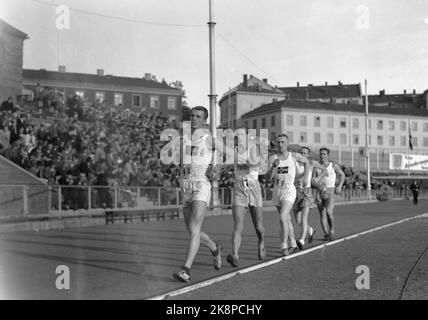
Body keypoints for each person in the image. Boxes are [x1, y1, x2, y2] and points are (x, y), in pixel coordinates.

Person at [173, 106, 222, 283]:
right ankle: (215, 248)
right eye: (192, 115)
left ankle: (186, 269)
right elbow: (181, 162)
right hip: (186, 185)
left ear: (204, 121)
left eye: (198, 116)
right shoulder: (184, 138)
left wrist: (216, 168)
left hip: (201, 184)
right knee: (193, 230)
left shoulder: (208, 138)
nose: (193, 118)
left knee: (194, 229)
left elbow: (224, 154)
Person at [226, 128, 265, 267]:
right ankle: (235, 255)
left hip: (253, 187)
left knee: (258, 227)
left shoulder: (253, 148)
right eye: (237, 135)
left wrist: (239, 157)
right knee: (238, 226)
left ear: (247, 137)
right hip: (239, 188)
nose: (239, 137)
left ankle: (261, 242)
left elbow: (254, 164)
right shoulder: (235, 151)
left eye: (241, 134)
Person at [266, 134, 309, 256]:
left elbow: (307, 162)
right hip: (277, 191)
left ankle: (284, 246)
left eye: (283, 142)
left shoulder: (294, 156)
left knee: (282, 217)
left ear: (287, 143)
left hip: (289, 190)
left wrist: (306, 177)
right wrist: (273, 167)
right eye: (278, 142)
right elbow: (268, 178)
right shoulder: (272, 158)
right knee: (287, 220)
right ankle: (294, 245)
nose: (280, 144)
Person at [293, 146, 327, 250]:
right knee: (298, 220)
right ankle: (310, 230)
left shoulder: (311, 163)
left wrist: (317, 178)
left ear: (308, 155)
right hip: (295, 192)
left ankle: (302, 240)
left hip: (307, 192)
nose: (303, 155)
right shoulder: (294, 162)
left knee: (304, 218)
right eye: (301, 153)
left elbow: (324, 170)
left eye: (305, 153)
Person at [314, 148, 345, 241]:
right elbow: (313, 179)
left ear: (328, 155)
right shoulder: (317, 166)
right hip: (319, 193)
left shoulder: (333, 166)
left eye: (324, 154)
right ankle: (326, 234)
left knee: (329, 212)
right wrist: (316, 184)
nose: (322, 156)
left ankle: (331, 229)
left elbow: (342, 175)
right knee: (322, 214)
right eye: (321, 154)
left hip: (330, 192)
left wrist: (339, 186)